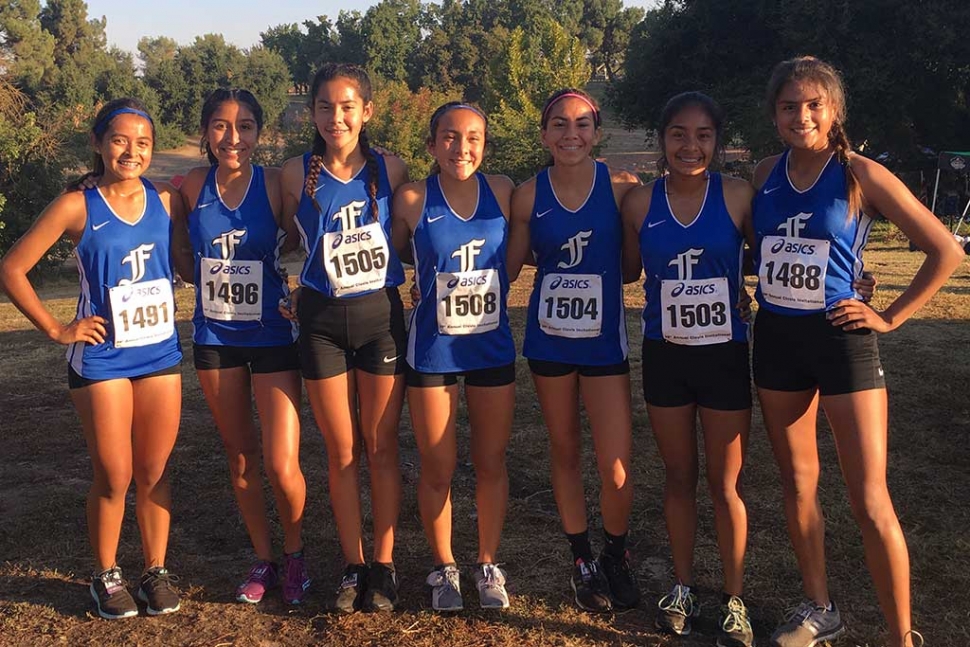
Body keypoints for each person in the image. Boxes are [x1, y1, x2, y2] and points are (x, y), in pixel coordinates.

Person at [752, 56, 962, 647]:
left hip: (842, 339)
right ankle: (820, 608)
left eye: (813, 104)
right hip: (776, 340)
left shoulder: (860, 174)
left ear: (834, 109)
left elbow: (944, 250)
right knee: (797, 484)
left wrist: (889, 315)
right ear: (774, 114)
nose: (802, 116)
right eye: (790, 106)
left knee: (869, 496)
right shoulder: (766, 171)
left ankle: (901, 635)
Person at [0, 99, 184, 619]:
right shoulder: (76, 205)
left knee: (154, 468)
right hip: (102, 358)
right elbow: (12, 268)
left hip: (160, 352)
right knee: (115, 474)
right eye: (120, 140)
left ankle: (155, 570)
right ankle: (105, 574)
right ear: (99, 143)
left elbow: (186, 260)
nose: (132, 151)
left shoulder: (166, 199)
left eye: (143, 142)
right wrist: (59, 328)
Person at [620, 92, 755, 646]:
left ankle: (735, 598)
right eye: (679, 134)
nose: (690, 145)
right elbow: (624, 269)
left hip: (724, 354)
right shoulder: (637, 204)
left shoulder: (740, 196)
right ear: (662, 140)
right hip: (665, 353)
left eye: (702, 135)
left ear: (717, 142)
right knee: (679, 477)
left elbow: (783, 255)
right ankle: (681, 586)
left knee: (726, 486)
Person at [279, 63, 408, 613]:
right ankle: (353, 566)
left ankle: (385, 565)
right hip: (320, 326)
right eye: (326, 107)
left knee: (381, 447)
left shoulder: (392, 168)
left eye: (348, 105)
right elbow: (260, 225)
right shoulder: (291, 173)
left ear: (367, 111)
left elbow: (417, 227)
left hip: (380, 320)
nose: (337, 117)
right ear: (312, 113)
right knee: (341, 451)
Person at [506, 88, 641, 612]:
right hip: (549, 340)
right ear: (544, 134)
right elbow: (508, 270)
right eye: (559, 125)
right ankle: (582, 558)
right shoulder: (526, 195)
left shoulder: (623, 187)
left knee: (615, 466)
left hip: (605, 342)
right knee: (564, 450)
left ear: (597, 133)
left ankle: (617, 553)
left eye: (582, 124)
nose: (571, 134)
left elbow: (634, 267)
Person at [179, 89, 309, 604]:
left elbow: (309, 240)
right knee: (240, 458)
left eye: (246, 126)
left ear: (260, 132)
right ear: (205, 131)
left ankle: (297, 555)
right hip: (215, 338)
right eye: (220, 125)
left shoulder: (276, 184)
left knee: (281, 461)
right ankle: (265, 558)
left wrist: (294, 289)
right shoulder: (190, 185)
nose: (233, 138)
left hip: (272, 335)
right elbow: (182, 257)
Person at [391, 102, 516, 611]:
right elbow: (400, 254)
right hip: (433, 351)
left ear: (485, 144)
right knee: (438, 465)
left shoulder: (505, 191)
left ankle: (487, 562)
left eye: (472, 138)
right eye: (448, 137)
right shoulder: (414, 198)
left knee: (491, 461)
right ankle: (444, 566)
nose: (460, 148)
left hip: (491, 346)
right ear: (431, 144)